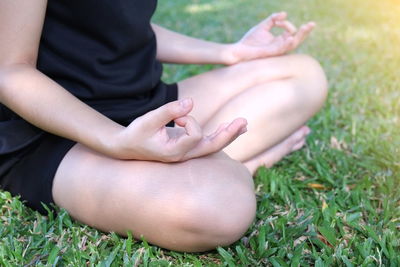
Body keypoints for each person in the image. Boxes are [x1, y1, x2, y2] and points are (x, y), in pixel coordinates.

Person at [0, 0, 327, 252]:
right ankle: (245, 163)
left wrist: (229, 52)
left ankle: (198, 160)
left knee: (302, 75)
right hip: (53, 128)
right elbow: (10, 71)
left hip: (142, 103)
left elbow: (122, 25)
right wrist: (116, 140)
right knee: (220, 208)